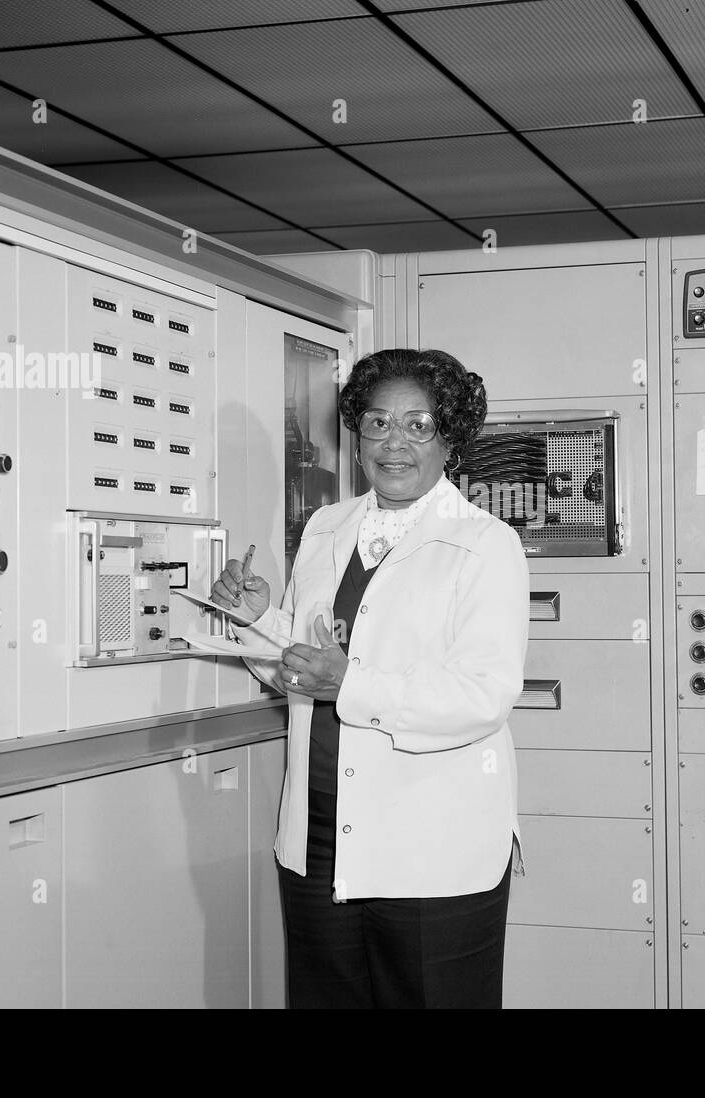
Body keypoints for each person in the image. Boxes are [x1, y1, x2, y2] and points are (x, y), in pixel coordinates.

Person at [211, 347, 529, 1009]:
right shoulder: (327, 526)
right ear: (357, 432)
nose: (395, 443)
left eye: (420, 426)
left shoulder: (484, 542)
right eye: (379, 423)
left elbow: (483, 694)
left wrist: (349, 684)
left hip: (431, 844)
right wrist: (254, 620)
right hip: (322, 832)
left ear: (451, 439)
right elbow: (301, 668)